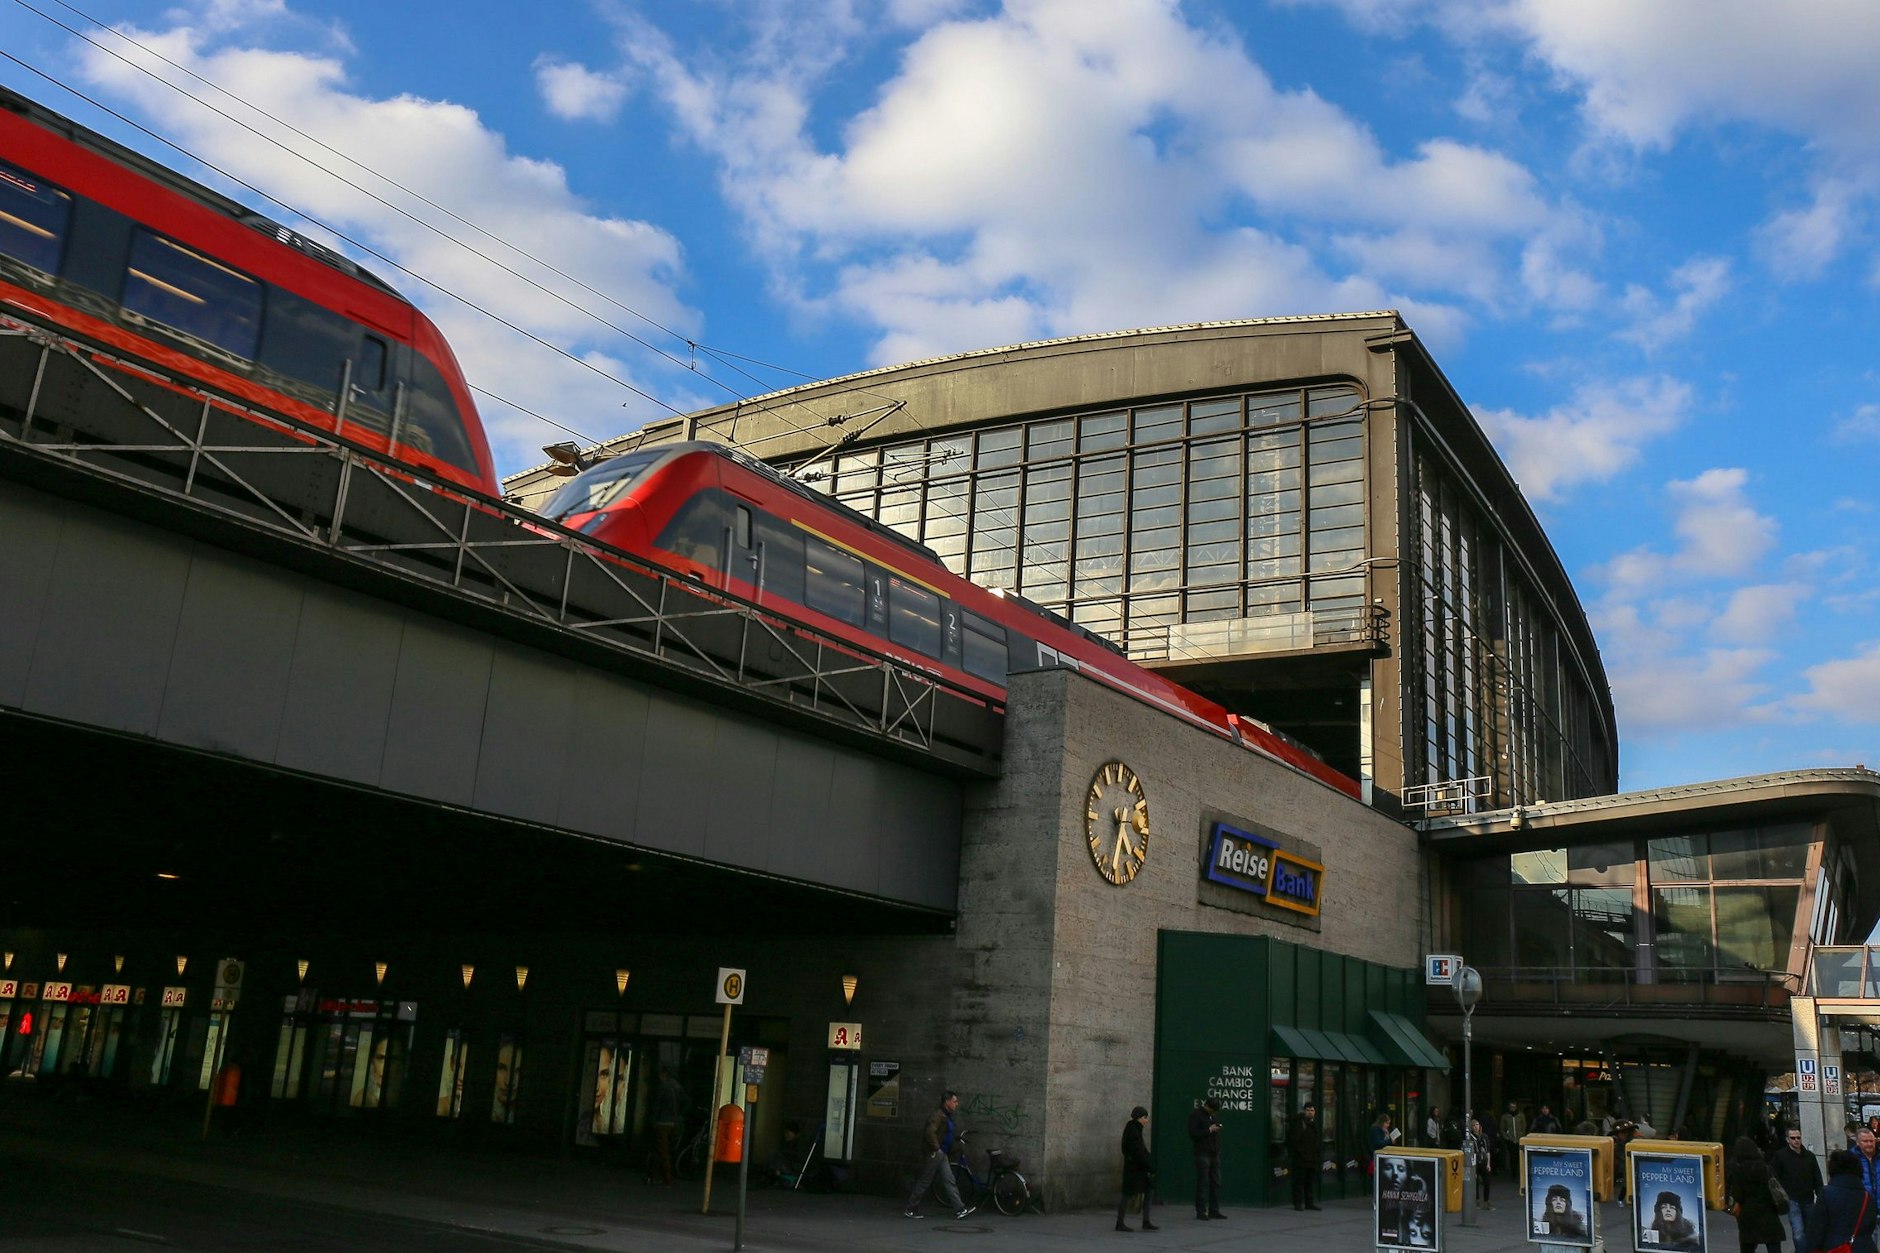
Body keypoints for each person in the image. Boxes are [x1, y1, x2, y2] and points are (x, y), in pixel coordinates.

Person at [903, 1090, 970, 1220]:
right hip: (935, 1153)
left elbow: (944, 1133)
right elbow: (930, 1133)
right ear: (947, 1102)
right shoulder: (938, 1115)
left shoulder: (946, 1115)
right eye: (954, 1101)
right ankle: (910, 1208)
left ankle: (960, 1208)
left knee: (949, 1179)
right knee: (925, 1180)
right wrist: (937, 1148)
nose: (957, 1104)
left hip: (942, 1153)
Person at [1806, 1149, 1878, 1253]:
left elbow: (1816, 1231)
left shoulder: (1827, 1194)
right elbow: (1870, 1226)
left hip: (1835, 1248)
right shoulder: (1867, 1197)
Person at [1726, 1135, 1785, 1253]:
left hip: (1748, 1214)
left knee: (1748, 1245)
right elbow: (1774, 1188)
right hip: (1768, 1212)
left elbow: (1738, 1195)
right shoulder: (1765, 1168)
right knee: (1773, 1243)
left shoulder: (1738, 1171)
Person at [1770, 1124, 1823, 1250]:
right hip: (1792, 1199)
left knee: (1810, 1230)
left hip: (1808, 1198)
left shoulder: (1809, 1156)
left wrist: (1819, 1193)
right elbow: (1773, 1175)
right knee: (1798, 1231)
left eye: (1798, 1137)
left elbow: (1817, 1176)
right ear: (1787, 1139)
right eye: (1793, 1138)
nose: (1796, 1140)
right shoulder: (1781, 1156)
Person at [1115, 1105, 1158, 1232]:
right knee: (1127, 1194)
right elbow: (1138, 1152)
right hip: (1136, 1169)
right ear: (1140, 1118)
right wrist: (1149, 1166)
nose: (1147, 1120)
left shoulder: (1133, 1128)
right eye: (1145, 1118)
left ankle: (1145, 1221)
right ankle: (1121, 1222)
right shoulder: (1134, 1131)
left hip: (1136, 1168)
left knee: (1147, 1191)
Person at [1188, 1097, 1225, 1220]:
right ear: (1207, 1106)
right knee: (1203, 1182)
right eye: (1213, 1110)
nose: (1214, 1113)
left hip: (1213, 1152)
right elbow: (1193, 1134)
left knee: (1215, 1182)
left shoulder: (1211, 1116)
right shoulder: (1196, 1115)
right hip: (1202, 1152)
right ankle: (1201, 1211)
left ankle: (1214, 1209)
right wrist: (1209, 1130)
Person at [649, 1066, 687, 1186]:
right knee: (666, 1149)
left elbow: (657, 1106)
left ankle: (665, 1177)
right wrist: (680, 1115)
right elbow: (686, 1101)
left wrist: (654, 1121)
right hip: (674, 1123)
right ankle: (659, 1175)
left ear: (664, 1074)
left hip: (663, 1122)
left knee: (662, 1150)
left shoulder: (663, 1087)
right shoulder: (677, 1087)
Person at [1288, 1101, 1321, 1211]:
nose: (1310, 1112)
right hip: (1301, 1158)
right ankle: (1298, 1203)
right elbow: (1295, 1141)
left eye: (1312, 1110)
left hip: (1312, 1158)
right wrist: (1303, 1153)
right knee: (1299, 1182)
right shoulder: (1299, 1123)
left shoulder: (1314, 1124)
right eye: (1308, 1110)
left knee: (1309, 1182)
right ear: (1304, 1111)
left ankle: (1309, 1203)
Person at [1466, 1116, 1494, 1210]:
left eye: (1477, 1125)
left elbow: (1488, 1151)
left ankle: (1486, 1201)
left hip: (1484, 1161)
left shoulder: (1484, 1137)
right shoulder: (1470, 1138)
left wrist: (1488, 1164)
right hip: (1475, 1162)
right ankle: (1476, 1200)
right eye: (1473, 1125)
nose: (1476, 1127)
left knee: (1487, 1182)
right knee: (1475, 1182)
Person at [1500, 1102, 1523, 1177]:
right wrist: (1506, 1137)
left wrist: (1522, 1136)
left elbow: (1524, 1126)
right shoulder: (1505, 1116)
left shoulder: (1521, 1115)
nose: (1512, 1109)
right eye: (1511, 1107)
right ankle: (1513, 1174)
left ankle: (1520, 1173)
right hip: (1510, 1140)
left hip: (1519, 1139)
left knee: (1519, 1157)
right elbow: (1502, 1128)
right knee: (1512, 1157)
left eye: (1514, 1107)